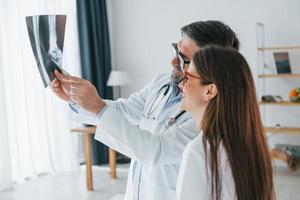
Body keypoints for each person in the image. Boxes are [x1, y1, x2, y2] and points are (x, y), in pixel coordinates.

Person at [51, 21, 239, 200]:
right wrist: (75, 98)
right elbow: (124, 110)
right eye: (176, 49)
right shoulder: (162, 82)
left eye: (183, 59)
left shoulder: (210, 116)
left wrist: (99, 108)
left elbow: (156, 149)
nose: (173, 60)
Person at [177, 46, 275, 200]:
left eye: (187, 78)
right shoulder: (253, 147)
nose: (180, 84)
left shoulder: (198, 151)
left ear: (210, 91)